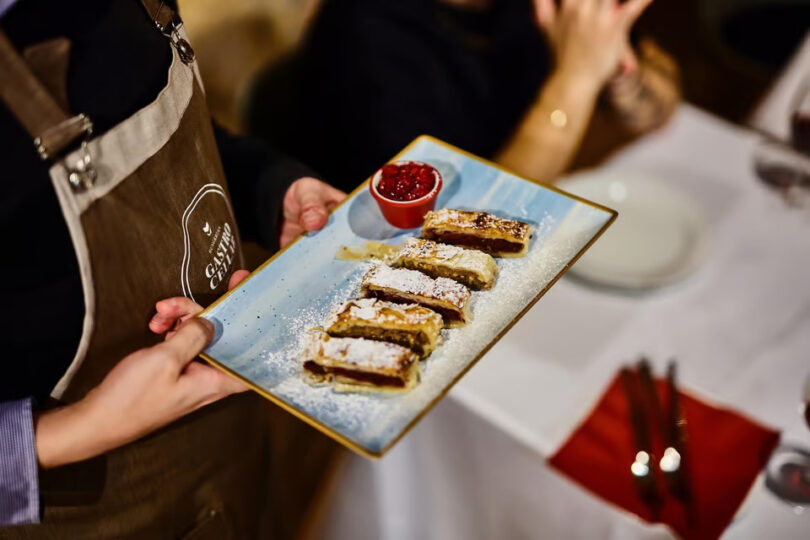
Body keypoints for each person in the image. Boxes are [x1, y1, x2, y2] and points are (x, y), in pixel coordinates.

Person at [0, 0, 344, 537]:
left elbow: (152, 125)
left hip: (236, 445)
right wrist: (73, 430)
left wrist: (269, 188)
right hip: (90, 507)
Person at [246, 0, 679, 192]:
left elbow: (658, 108)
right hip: (390, 266)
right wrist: (577, 79)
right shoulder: (366, 31)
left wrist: (619, 71)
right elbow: (461, 223)